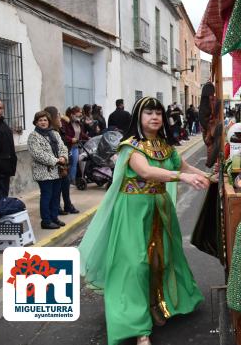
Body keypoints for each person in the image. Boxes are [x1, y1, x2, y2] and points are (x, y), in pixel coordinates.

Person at [79, 96, 208, 345]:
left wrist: (211, 176)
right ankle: (138, 326)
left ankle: (157, 303)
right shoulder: (130, 145)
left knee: (163, 259)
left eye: (158, 113)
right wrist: (180, 177)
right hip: (132, 210)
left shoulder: (165, 146)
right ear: (139, 116)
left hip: (160, 209)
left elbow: (187, 166)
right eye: (149, 112)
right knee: (135, 264)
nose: (155, 117)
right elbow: (146, 171)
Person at [27, 111, 69, 229]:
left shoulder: (54, 133)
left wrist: (63, 157)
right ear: (36, 122)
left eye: (45, 120)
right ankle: (46, 221)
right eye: (40, 120)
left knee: (56, 195)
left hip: (57, 171)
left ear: (49, 121)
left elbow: (63, 147)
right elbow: (38, 154)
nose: (43, 122)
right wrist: (56, 160)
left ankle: (54, 218)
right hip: (43, 171)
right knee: (47, 196)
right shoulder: (33, 136)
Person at [45, 106, 79, 215]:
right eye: (58, 115)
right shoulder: (50, 132)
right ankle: (57, 207)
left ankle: (67, 205)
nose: (60, 117)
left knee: (65, 185)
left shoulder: (59, 128)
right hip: (56, 164)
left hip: (63, 161)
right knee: (56, 189)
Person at [62, 106, 89, 183]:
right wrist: (71, 139)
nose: (80, 114)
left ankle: (72, 180)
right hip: (68, 147)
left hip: (76, 146)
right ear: (72, 114)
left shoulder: (78, 122)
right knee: (69, 164)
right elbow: (63, 135)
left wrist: (88, 137)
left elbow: (81, 133)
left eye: (81, 112)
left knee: (74, 164)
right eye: (79, 112)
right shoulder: (66, 122)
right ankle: (68, 180)